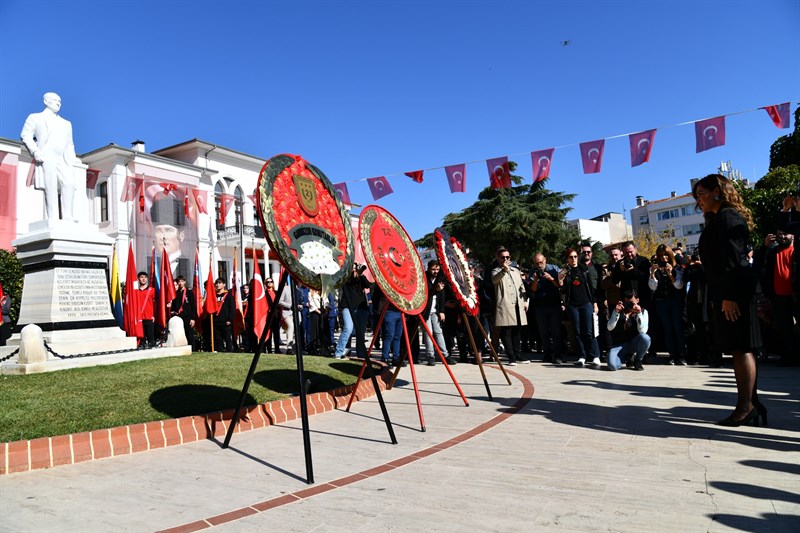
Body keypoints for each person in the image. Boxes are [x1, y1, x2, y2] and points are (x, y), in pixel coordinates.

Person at [693, 173, 765, 427]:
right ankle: (752, 404)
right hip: (728, 292)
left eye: (701, 194)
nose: (699, 200)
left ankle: (747, 406)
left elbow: (733, 261)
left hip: (735, 292)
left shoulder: (728, 217)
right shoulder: (718, 218)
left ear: (717, 191)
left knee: (741, 347)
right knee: (739, 348)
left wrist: (729, 296)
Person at [20, 92, 77, 221]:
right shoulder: (35, 117)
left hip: (63, 157)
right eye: (55, 100)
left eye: (60, 101)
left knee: (69, 183)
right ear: (46, 101)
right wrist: (35, 152)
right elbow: (25, 135)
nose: (58, 103)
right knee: (50, 186)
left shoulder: (66, 123)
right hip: (47, 155)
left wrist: (73, 159)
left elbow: (70, 144)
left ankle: (68, 215)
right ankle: (53, 217)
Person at [559, 247, 601, 368]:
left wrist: (595, 304)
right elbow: (563, 290)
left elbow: (591, 288)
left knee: (589, 330)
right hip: (573, 305)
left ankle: (595, 355)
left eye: (575, 256)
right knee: (577, 331)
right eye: (571, 257)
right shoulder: (565, 272)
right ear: (567, 259)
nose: (573, 259)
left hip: (586, 303)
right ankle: (582, 356)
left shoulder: (584, 269)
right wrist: (561, 281)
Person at [648, 244, 687, 365]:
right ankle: (672, 354)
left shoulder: (677, 267)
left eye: (666, 255)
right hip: (661, 301)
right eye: (661, 255)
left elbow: (679, 285)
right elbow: (652, 287)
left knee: (677, 327)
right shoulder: (655, 268)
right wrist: (652, 273)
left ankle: (682, 354)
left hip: (676, 300)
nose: (664, 258)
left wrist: (670, 274)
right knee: (667, 328)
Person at [491, 246, 529, 366]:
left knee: (517, 331)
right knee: (506, 332)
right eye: (503, 257)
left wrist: (525, 301)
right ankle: (511, 357)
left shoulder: (516, 271)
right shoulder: (496, 271)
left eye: (507, 257)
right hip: (505, 304)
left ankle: (518, 354)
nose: (505, 259)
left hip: (517, 304)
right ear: (498, 258)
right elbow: (494, 280)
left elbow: (522, 287)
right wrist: (504, 270)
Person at [529, 252, 563, 364]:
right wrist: (535, 280)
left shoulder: (554, 269)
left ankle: (557, 355)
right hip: (540, 306)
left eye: (541, 262)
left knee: (556, 332)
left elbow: (560, 285)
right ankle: (547, 354)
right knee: (543, 332)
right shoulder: (533, 272)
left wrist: (551, 278)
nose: (539, 265)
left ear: (545, 260)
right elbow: (533, 290)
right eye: (537, 263)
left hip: (554, 304)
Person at [606, 290, 651, 371]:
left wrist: (639, 314)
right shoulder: (618, 310)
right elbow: (609, 327)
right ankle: (627, 357)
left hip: (634, 343)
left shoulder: (643, 312)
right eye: (626, 302)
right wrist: (616, 312)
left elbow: (643, 331)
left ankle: (638, 359)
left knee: (645, 338)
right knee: (612, 366)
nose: (629, 304)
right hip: (619, 344)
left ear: (637, 300)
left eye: (631, 302)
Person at [333, 264, 371, 359]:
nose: (354, 270)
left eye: (355, 268)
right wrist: (351, 274)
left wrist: (361, 275)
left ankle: (360, 353)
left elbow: (368, 285)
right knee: (348, 328)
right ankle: (339, 352)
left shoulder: (361, 278)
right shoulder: (346, 278)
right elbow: (348, 282)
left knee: (360, 331)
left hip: (361, 307)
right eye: (353, 268)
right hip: (348, 306)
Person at [420, 260, 449, 365]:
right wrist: (436, 289)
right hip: (426, 310)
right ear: (428, 268)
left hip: (436, 310)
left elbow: (442, 296)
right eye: (433, 269)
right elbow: (425, 293)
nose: (435, 271)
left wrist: (442, 311)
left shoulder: (440, 278)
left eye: (437, 269)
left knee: (438, 332)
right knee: (428, 333)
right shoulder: (423, 278)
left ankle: (445, 355)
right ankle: (430, 356)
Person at [170, 275, 196, 349]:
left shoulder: (189, 292)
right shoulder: (176, 293)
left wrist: (193, 318)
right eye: (179, 282)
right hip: (179, 317)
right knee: (180, 334)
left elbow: (193, 305)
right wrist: (173, 312)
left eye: (182, 281)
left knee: (189, 334)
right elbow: (174, 306)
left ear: (184, 282)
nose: (180, 283)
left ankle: (193, 349)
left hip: (188, 317)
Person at [213, 277, 235, 352]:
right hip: (216, 320)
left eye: (219, 283)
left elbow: (232, 308)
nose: (217, 285)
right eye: (216, 283)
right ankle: (220, 351)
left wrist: (230, 319)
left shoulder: (228, 295)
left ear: (224, 284)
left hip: (225, 321)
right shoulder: (214, 296)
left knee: (227, 338)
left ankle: (229, 352)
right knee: (218, 339)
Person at [135, 272, 156, 349]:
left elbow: (155, 304)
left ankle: (151, 344)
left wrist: (154, 315)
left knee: (150, 334)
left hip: (149, 315)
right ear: (138, 279)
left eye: (145, 277)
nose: (143, 279)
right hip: (139, 316)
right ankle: (142, 344)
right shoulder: (135, 291)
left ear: (147, 279)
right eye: (141, 277)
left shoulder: (152, 290)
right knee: (141, 334)